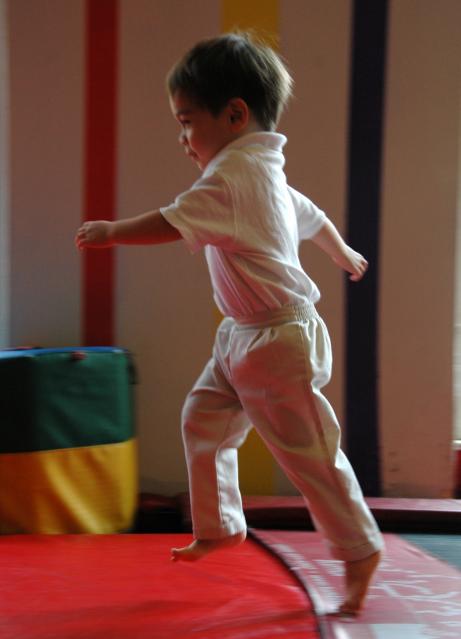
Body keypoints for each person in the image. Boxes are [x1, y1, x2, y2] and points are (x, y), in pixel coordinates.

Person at [76, 32, 383, 615]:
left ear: (235, 115)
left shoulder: (233, 177)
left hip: (279, 340)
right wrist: (342, 253)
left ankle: (360, 549)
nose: (183, 139)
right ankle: (221, 526)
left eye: (187, 122)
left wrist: (112, 232)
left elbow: (170, 221)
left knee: (309, 455)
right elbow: (312, 216)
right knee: (204, 418)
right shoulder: (263, 173)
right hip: (243, 335)